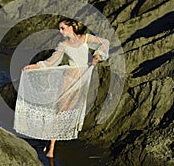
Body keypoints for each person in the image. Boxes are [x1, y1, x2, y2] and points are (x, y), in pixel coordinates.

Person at [14, 18, 109, 158]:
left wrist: (97, 55)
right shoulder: (63, 44)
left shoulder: (85, 38)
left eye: (62, 28)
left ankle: (49, 142)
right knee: (61, 111)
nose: (60, 31)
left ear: (71, 27)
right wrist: (34, 66)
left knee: (68, 111)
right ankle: (51, 147)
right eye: (59, 28)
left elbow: (105, 42)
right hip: (68, 80)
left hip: (81, 81)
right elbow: (51, 62)